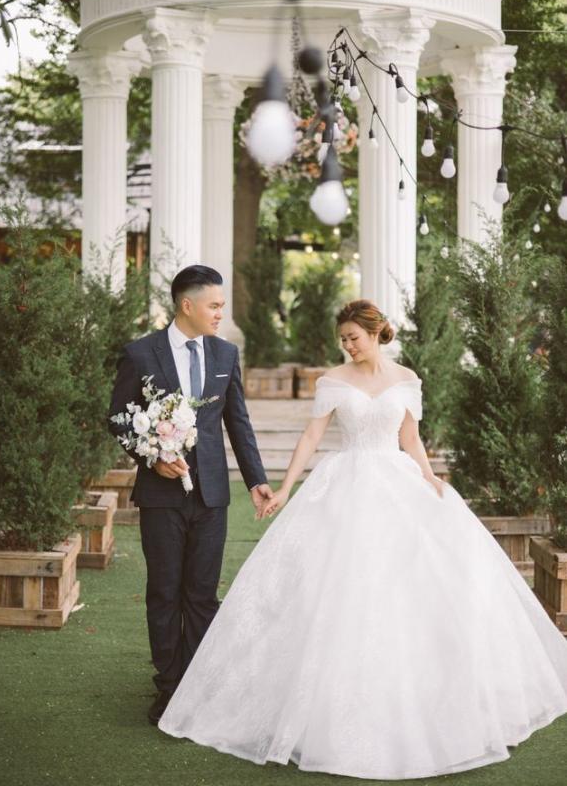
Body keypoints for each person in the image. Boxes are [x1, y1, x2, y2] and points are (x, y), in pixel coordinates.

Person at [157, 299, 567, 780]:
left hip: (397, 481)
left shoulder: (407, 379)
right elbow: (312, 438)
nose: (347, 345)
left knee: (413, 588)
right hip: (344, 484)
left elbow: (410, 438)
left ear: (376, 333)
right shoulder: (332, 380)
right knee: (336, 589)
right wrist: (285, 488)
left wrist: (429, 477)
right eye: (343, 339)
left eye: (353, 337)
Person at [108, 265, 273, 725]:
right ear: (187, 305)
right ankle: (169, 687)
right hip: (161, 496)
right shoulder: (141, 354)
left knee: (202, 593)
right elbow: (119, 418)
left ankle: (197, 689)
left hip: (212, 495)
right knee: (164, 592)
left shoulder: (225, 353)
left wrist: (256, 479)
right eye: (214, 306)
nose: (220, 313)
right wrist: (152, 459)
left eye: (221, 306)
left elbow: (237, 422)